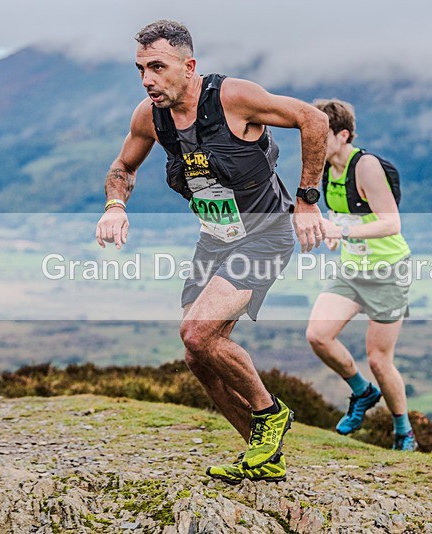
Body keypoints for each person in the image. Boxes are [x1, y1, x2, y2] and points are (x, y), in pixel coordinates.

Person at [95, 20, 329, 485]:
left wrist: (306, 201)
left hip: (266, 232)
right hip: (214, 239)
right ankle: (263, 456)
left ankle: (270, 412)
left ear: (189, 65)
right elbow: (123, 166)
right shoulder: (150, 116)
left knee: (199, 333)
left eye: (158, 67)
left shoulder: (232, 97)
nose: (147, 79)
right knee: (197, 353)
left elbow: (314, 119)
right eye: (140, 69)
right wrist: (115, 205)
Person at [305, 99, 417, 451]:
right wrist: (332, 233)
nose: (315, 144)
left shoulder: (365, 166)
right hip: (352, 270)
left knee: (379, 359)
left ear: (343, 135)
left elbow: (391, 222)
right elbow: (345, 218)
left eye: (322, 137)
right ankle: (362, 392)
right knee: (318, 335)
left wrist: (345, 234)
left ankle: (404, 432)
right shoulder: (325, 170)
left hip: (388, 272)